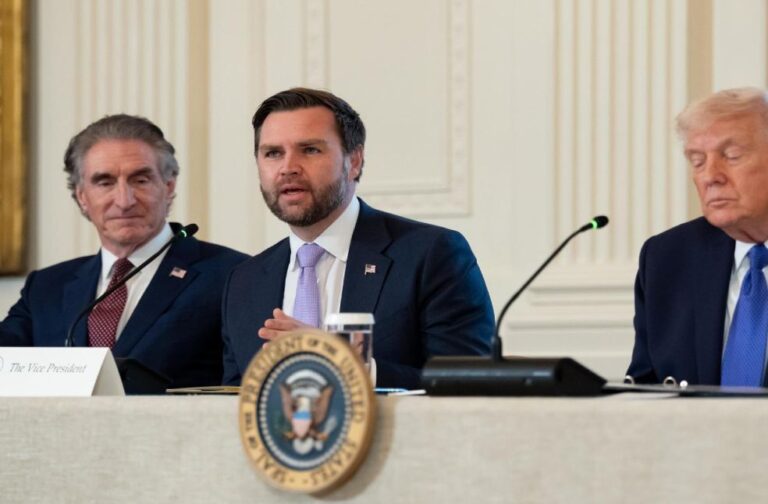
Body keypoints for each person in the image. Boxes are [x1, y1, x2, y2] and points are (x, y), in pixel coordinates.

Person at [221, 87, 494, 389]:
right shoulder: (243, 282)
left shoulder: (431, 255)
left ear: (354, 161)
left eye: (310, 150)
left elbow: (469, 382)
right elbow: (232, 399)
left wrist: (340, 363)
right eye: (273, 153)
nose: (288, 168)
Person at [0, 114, 248, 389]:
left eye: (140, 180)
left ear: (168, 186)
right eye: (105, 182)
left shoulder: (233, 275)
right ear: (82, 196)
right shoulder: (46, 288)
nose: (124, 201)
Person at [628, 87, 768, 387]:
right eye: (697, 161)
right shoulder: (668, 258)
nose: (710, 176)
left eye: (731, 156)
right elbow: (644, 389)